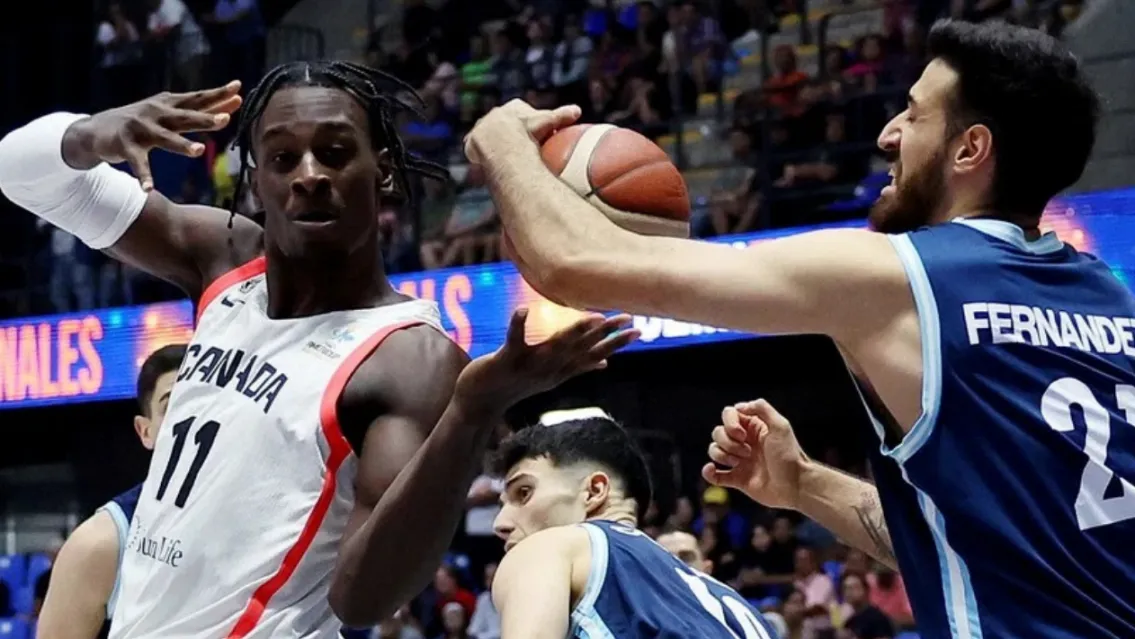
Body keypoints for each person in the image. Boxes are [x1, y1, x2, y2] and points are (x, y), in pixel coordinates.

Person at [465, 16, 1135, 637]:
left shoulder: (901, 274)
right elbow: (982, 544)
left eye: (912, 113)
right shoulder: (1112, 300)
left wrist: (500, 143)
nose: (888, 134)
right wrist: (804, 484)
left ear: (970, 149)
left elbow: (573, 264)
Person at [0, 61, 637, 637]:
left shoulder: (407, 357)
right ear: (256, 179)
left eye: (334, 153)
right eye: (283, 158)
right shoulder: (223, 259)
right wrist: (94, 134)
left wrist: (470, 416)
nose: (309, 175)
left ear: (381, 167)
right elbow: (17, 172)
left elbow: (363, 599)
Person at [488, 407, 777, 638]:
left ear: (594, 491)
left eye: (523, 493)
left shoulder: (549, 548)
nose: (500, 523)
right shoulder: (743, 612)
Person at [36, 345, 186, 638]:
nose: (193, 417)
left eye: (203, 402)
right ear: (145, 432)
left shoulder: (269, 516)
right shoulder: (101, 543)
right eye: (173, 406)